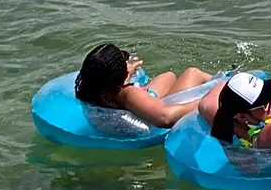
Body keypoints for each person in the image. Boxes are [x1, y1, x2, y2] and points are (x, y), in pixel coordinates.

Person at [72, 42, 218, 128]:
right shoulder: (127, 94)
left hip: (135, 101)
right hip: (152, 112)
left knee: (169, 76)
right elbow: (165, 118)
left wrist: (125, 74)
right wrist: (206, 101)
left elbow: (112, 87)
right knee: (193, 73)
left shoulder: (94, 90)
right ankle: (221, 81)